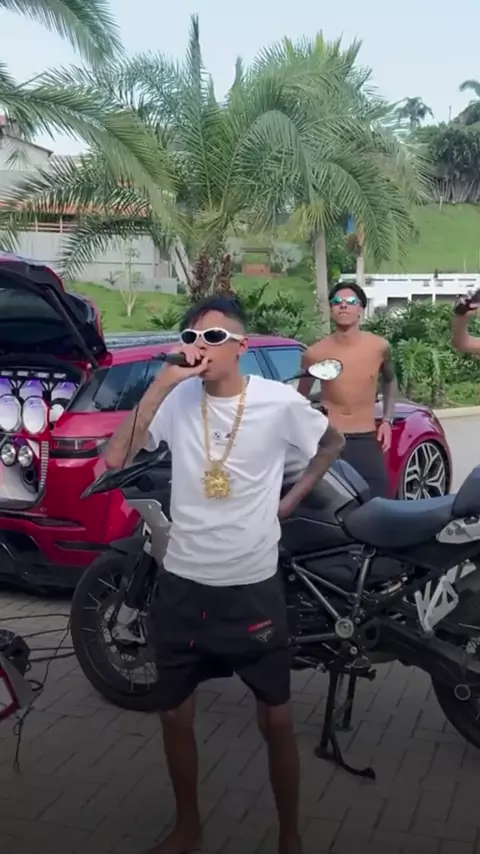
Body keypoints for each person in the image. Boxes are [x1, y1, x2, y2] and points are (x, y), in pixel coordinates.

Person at [104, 294, 345, 854]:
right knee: (174, 714)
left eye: (214, 338)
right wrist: (163, 383)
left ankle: (290, 836)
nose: (201, 348)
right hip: (183, 584)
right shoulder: (176, 399)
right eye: (192, 338)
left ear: (240, 346)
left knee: (276, 720)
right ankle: (188, 828)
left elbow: (332, 442)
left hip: (251, 587)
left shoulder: (277, 402)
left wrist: (291, 500)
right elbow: (116, 457)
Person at [299, 282, 397, 499]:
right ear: (331, 309)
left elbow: (390, 380)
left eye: (351, 302)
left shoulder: (379, 347)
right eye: (337, 302)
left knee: (379, 500)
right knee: (332, 505)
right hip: (329, 439)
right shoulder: (314, 353)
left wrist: (387, 421)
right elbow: (299, 400)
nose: (343, 306)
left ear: (361, 308)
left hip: (365, 438)